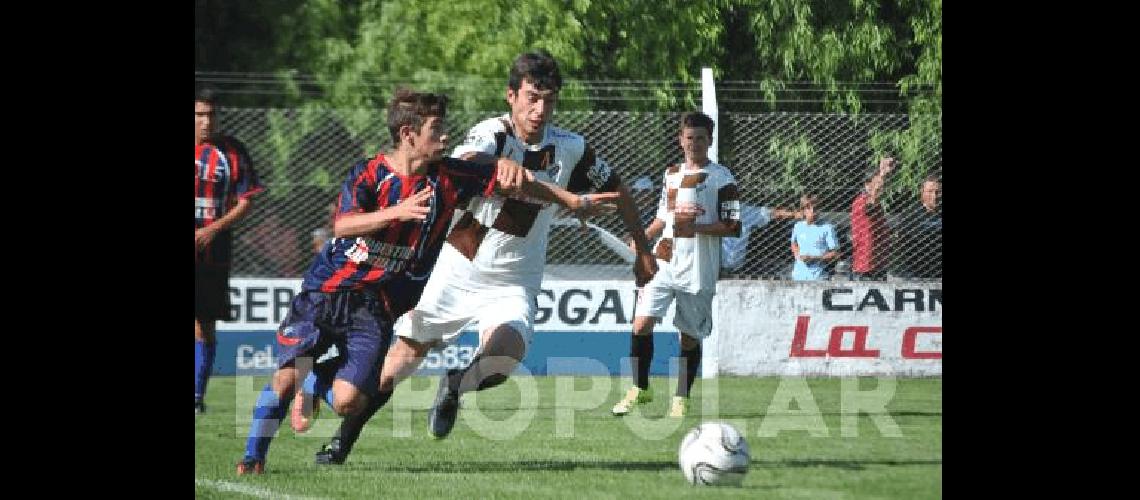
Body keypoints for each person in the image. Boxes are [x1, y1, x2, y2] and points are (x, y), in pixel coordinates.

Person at [236, 88, 614, 475]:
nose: (446, 137)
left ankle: (318, 380)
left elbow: (512, 182)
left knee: (349, 401)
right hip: (328, 292)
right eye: (437, 129)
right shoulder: (369, 174)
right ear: (408, 134)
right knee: (285, 378)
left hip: (376, 305)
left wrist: (565, 198)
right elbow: (343, 225)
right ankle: (253, 457)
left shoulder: (452, 177)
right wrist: (396, 212)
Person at [308, 49, 657, 465]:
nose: (540, 108)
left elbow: (619, 193)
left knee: (504, 358)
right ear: (512, 96)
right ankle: (341, 442)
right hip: (456, 269)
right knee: (392, 368)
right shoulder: (491, 133)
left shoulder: (571, 148)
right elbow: (466, 161)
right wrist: (503, 164)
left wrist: (642, 251)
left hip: (514, 281)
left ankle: (455, 385)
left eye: (549, 99)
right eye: (531, 97)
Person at [611, 111, 741, 418]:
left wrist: (695, 228)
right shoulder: (671, 174)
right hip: (664, 260)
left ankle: (681, 397)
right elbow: (662, 217)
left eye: (700, 138)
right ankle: (640, 389)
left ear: (709, 141)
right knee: (641, 323)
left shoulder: (724, 178)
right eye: (689, 138)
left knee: (688, 335)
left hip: (699, 266)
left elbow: (733, 226)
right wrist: (642, 237)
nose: (694, 144)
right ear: (680, 140)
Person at [195, 88, 265, 415]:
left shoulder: (232, 152)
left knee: (203, 323)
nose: (206, 122)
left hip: (212, 252)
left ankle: (196, 397)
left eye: (211, 115)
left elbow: (247, 200)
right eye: (199, 115)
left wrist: (212, 229)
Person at [720, 204, 801, 274]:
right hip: (719, 265)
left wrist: (794, 214)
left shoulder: (743, 211)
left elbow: (770, 213)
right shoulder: (715, 212)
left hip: (736, 267)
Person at [850, 156, 895, 280]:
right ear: (867, 184)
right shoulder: (860, 201)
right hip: (865, 266)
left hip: (879, 263)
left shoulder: (877, 203)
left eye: (881, 185)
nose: (880, 187)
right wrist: (882, 174)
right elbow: (869, 209)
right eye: (876, 184)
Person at [892, 174, 941, 280]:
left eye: (938, 192)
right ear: (922, 192)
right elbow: (902, 245)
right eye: (930, 191)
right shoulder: (910, 215)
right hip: (914, 273)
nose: (934, 196)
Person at [790, 194, 840, 281]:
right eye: (809, 208)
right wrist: (797, 255)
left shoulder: (827, 227)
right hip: (798, 276)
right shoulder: (798, 226)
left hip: (818, 277)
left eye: (816, 208)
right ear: (803, 211)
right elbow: (793, 243)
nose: (813, 211)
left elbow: (835, 254)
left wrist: (814, 258)